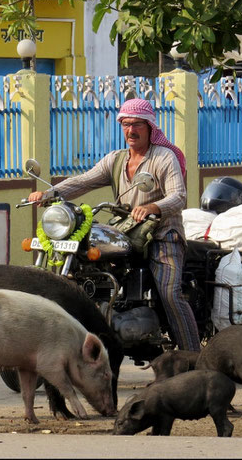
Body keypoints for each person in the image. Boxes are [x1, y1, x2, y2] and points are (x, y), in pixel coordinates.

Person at [28, 98, 201, 351]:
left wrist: (153, 207)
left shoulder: (164, 158)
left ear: (150, 127)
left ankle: (194, 356)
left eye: (138, 125)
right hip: (127, 233)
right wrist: (49, 194)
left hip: (163, 235)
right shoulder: (116, 160)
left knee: (169, 293)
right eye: (126, 124)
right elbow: (83, 181)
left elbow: (179, 196)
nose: (131, 131)